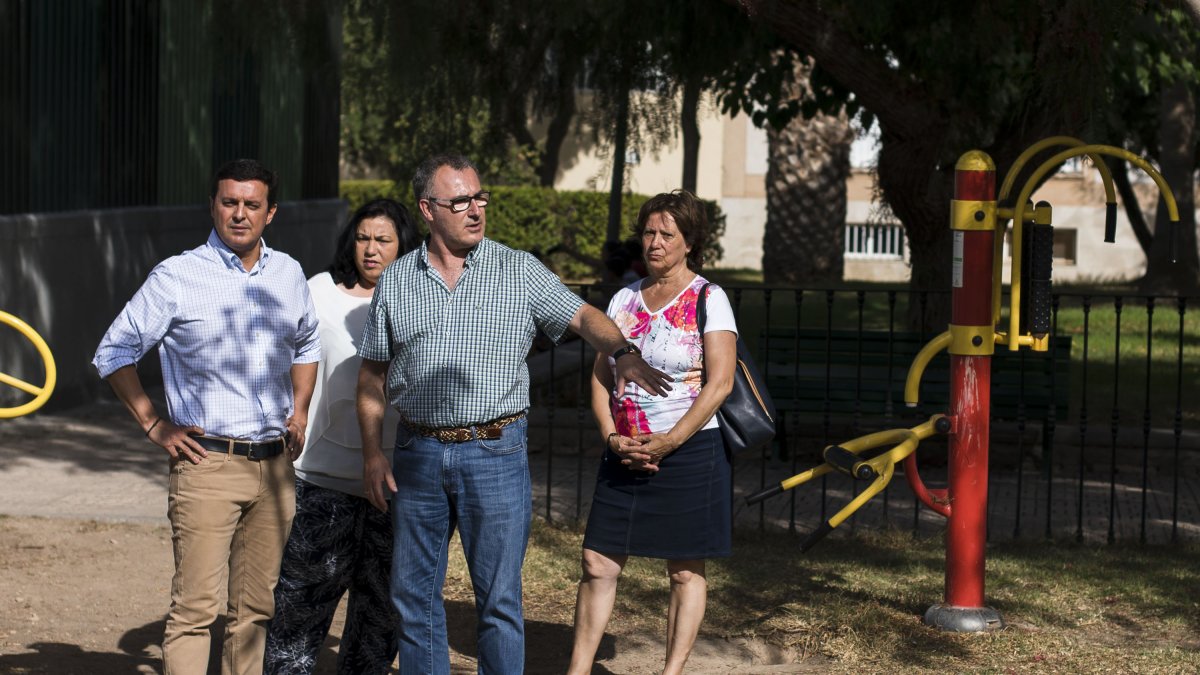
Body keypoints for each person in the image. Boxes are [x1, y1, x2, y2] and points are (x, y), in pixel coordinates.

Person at [355, 153, 673, 675]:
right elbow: (371, 379)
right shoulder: (397, 282)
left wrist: (623, 351)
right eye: (460, 201)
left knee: (499, 601)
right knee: (413, 595)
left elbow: (584, 315)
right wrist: (372, 452)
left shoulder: (517, 269)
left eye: (480, 197)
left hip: (495, 452)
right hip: (418, 453)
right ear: (427, 209)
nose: (475, 209)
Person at [92, 159, 320, 675]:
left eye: (251, 205)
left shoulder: (287, 273)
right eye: (229, 202)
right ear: (214, 205)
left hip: (276, 465)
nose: (239, 214)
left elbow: (307, 341)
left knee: (256, 611)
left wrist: (300, 411)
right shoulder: (177, 275)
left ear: (271, 213)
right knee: (196, 610)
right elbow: (113, 351)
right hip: (207, 464)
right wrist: (153, 423)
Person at [568, 190, 738, 675]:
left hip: (690, 451)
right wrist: (609, 436)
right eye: (649, 232)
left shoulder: (709, 298)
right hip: (624, 450)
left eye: (668, 234)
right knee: (598, 563)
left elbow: (720, 382)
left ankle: (672, 671)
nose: (655, 243)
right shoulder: (624, 299)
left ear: (690, 242)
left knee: (685, 571)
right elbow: (601, 376)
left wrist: (669, 440)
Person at [264, 199, 420, 674]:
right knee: (300, 606)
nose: (371, 250)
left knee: (379, 617)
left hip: (398, 482)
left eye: (384, 240)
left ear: (405, 246)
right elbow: (284, 362)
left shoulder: (421, 299)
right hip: (324, 478)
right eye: (363, 238)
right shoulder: (317, 292)